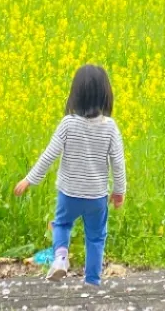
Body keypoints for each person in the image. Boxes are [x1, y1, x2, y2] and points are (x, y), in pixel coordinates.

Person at [15, 63, 126, 285]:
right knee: (95, 237)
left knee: (62, 225)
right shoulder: (110, 127)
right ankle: (92, 281)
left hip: (69, 194)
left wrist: (29, 179)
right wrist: (119, 191)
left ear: (75, 95)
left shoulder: (67, 124)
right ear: (106, 95)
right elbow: (118, 163)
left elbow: (48, 155)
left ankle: (61, 258)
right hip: (96, 197)